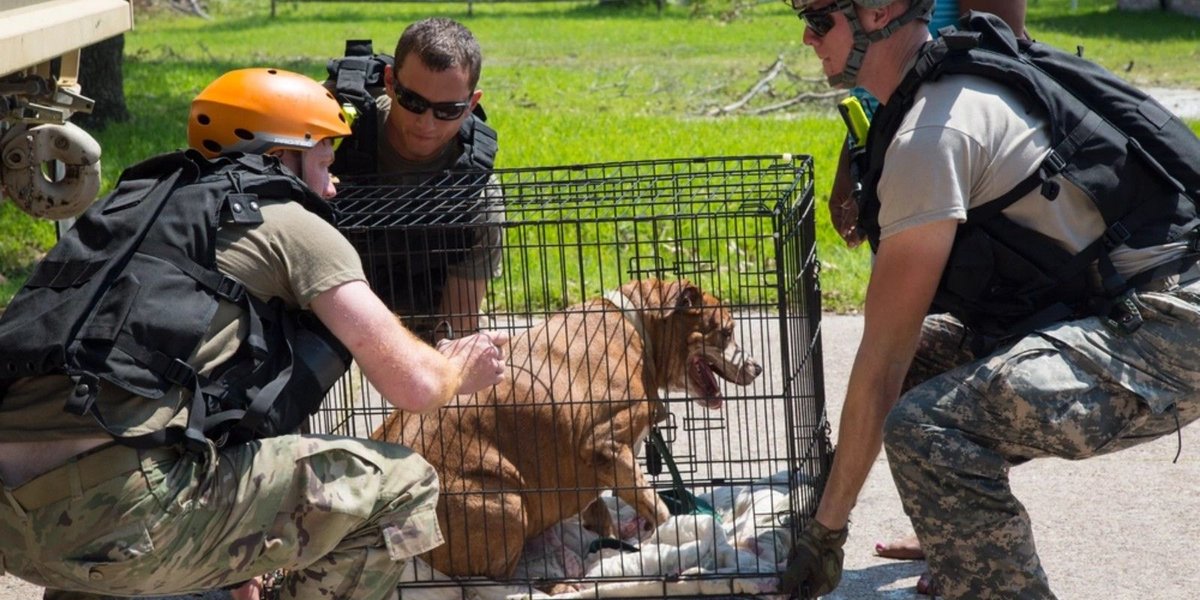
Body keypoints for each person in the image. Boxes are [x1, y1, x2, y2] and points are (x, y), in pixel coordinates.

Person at [0, 67, 507, 600]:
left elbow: (214, 397)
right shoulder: (287, 218)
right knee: (402, 485)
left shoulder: (133, 210)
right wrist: (456, 367)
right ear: (282, 154)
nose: (334, 185)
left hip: (17, 526)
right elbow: (417, 385)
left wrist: (238, 568)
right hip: (121, 514)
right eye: (326, 162)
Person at [778, 1, 1200, 598]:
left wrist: (825, 536)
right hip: (1130, 302)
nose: (805, 36)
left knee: (925, 430)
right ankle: (962, 545)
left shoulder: (931, 136)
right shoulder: (946, 82)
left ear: (878, 12)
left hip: (1170, 331)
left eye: (820, 19)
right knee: (923, 366)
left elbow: (880, 365)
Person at [330, 17, 503, 342]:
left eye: (447, 110)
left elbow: (459, 323)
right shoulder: (339, 132)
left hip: (424, 319)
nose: (426, 123)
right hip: (325, 314)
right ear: (391, 82)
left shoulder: (476, 193)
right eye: (413, 102)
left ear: (471, 104)